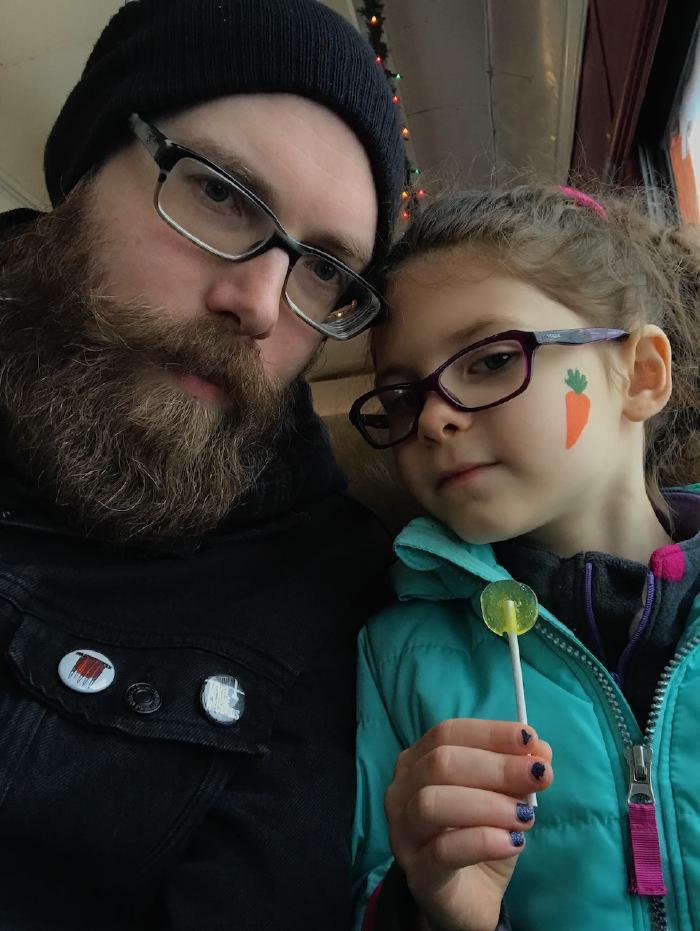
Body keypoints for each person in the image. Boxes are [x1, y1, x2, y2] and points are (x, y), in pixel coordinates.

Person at [0, 1, 405, 928]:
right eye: (221, 192)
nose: (261, 304)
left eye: (325, 273)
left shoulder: (320, 593)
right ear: (85, 167)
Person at [349, 184, 700, 931]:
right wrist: (436, 909)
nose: (435, 417)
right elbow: (358, 890)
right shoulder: (398, 656)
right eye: (403, 398)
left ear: (640, 374)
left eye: (490, 360)